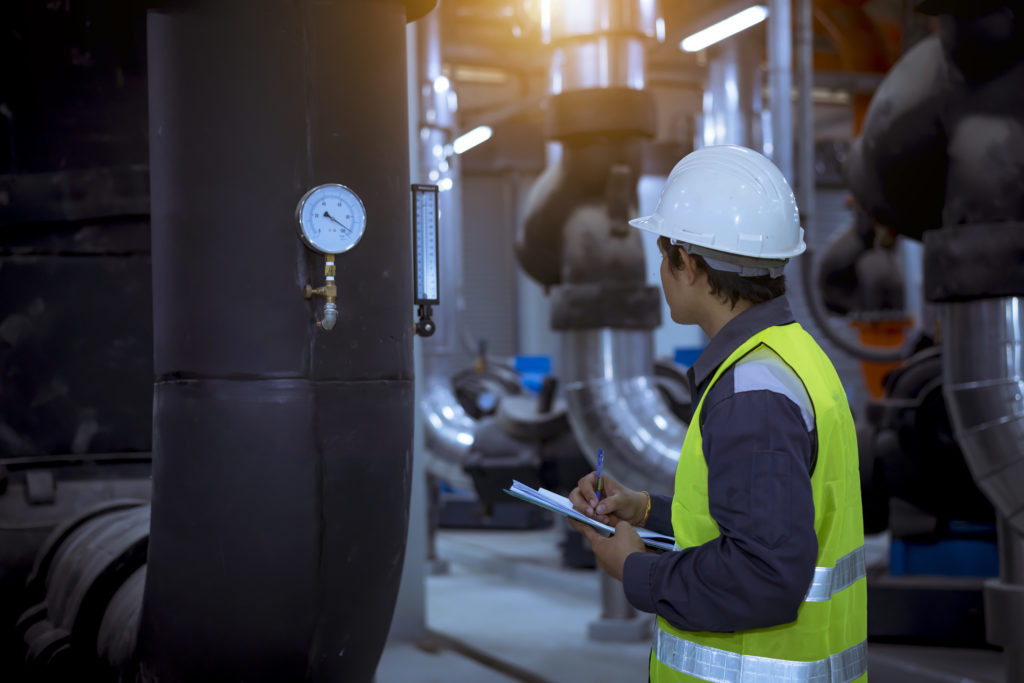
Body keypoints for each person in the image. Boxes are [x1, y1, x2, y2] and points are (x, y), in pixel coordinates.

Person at [568, 145, 867, 682]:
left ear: (689, 262)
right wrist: (643, 510)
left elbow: (763, 576)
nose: (661, 273)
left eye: (664, 256)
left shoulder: (751, 392)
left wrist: (635, 570)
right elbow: (759, 516)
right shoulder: (793, 355)